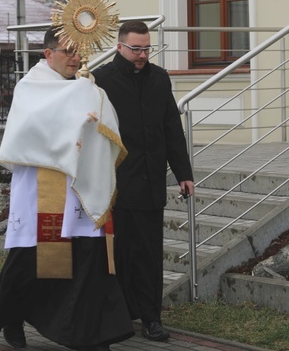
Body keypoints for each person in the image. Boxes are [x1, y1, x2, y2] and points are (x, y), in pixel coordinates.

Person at [0, 28, 134, 351]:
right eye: (67, 51)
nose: (75, 58)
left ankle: (91, 333)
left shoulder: (83, 88)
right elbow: (35, 130)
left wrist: (93, 106)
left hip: (80, 187)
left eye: (78, 52)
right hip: (42, 189)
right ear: (48, 54)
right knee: (30, 258)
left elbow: (97, 129)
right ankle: (9, 315)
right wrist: (79, 103)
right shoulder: (31, 87)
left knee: (86, 256)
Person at [93, 20, 194, 342]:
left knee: (150, 254)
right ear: (119, 47)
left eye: (147, 48)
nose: (142, 55)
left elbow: (171, 130)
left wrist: (184, 174)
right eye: (136, 48)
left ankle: (151, 317)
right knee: (121, 252)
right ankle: (119, 315)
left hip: (151, 184)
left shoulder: (160, 79)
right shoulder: (101, 81)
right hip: (117, 184)